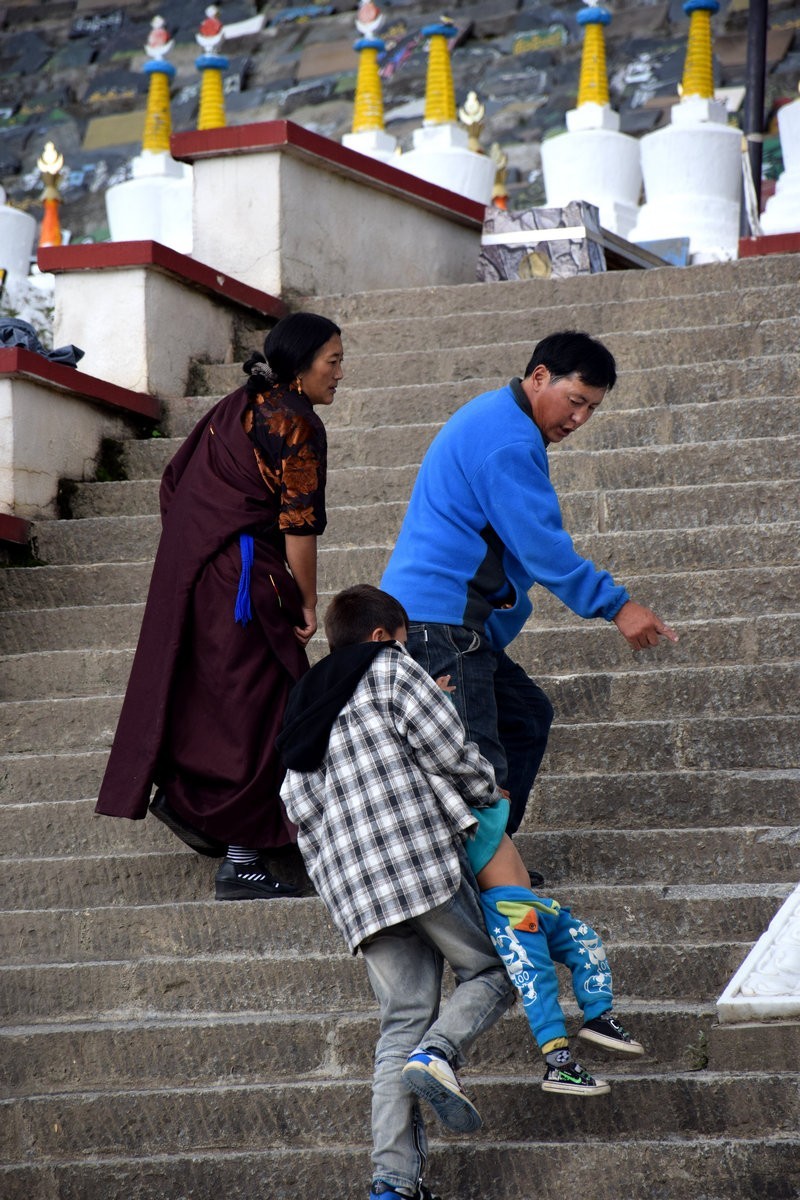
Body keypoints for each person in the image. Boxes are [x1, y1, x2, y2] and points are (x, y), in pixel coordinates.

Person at [380, 330, 678, 838]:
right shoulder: (507, 439)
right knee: (477, 770)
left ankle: (492, 869)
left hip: (450, 620)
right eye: (576, 400)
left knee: (524, 717)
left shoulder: (500, 419)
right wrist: (617, 606)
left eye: (592, 408)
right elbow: (541, 546)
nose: (579, 418)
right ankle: (481, 890)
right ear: (540, 377)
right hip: (440, 621)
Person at [94, 311, 344, 901]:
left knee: (230, 706)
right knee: (259, 711)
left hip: (205, 573)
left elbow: (175, 484)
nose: (340, 373)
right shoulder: (297, 423)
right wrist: (306, 599)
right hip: (245, 584)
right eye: (333, 361)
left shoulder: (237, 406)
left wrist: (210, 546)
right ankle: (242, 860)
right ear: (303, 366)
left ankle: (251, 839)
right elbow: (300, 525)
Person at [277, 584, 515, 1200]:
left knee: (399, 1025)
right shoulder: (390, 669)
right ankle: (440, 1054)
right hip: (415, 861)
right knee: (493, 970)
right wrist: (491, 793)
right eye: (407, 644)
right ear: (383, 636)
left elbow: (295, 805)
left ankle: (391, 1185)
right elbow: (450, 750)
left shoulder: (304, 702)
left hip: (354, 892)